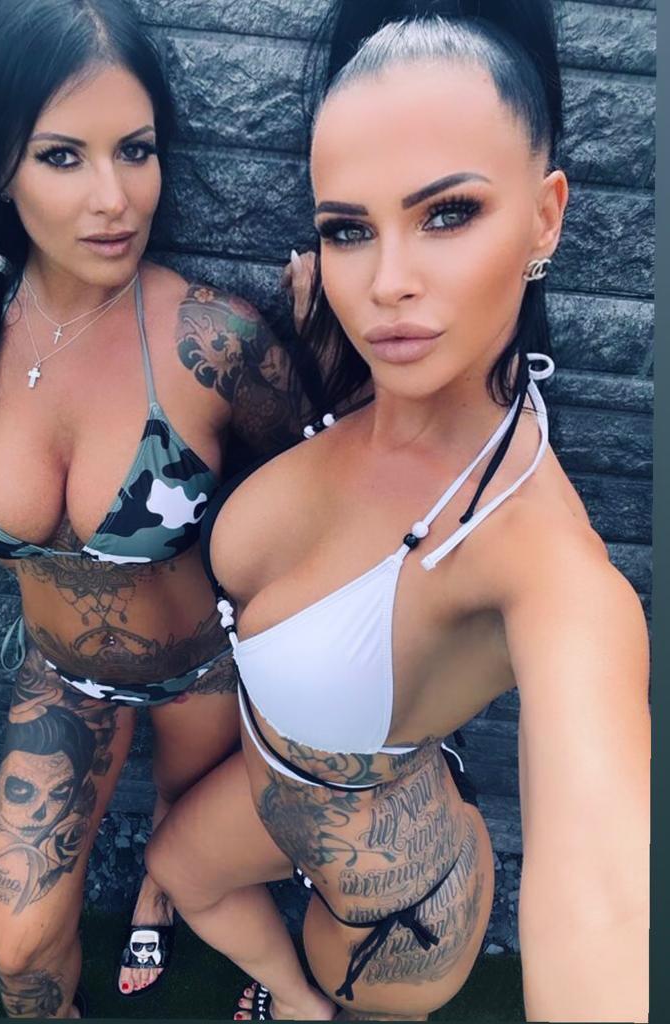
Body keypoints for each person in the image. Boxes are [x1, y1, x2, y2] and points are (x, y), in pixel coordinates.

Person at [143, 1, 650, 1021]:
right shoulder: (360, 364)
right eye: (348, 229)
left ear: (545, 217)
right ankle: (293, 1001)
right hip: (276, 791)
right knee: (179, 871)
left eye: (448, 214)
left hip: (396, 914)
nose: (387, 283)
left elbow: (605, 904)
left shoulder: (547, 567)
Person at [0, 0, 317, 1016]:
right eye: (62, 156)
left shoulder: (215, 342)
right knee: (21, 955)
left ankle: (157, 896)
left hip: (204, 671)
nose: (114, 198)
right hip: (61, 680)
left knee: (184, 843)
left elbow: (313, 491)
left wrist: (327, 353)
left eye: (136, 150)